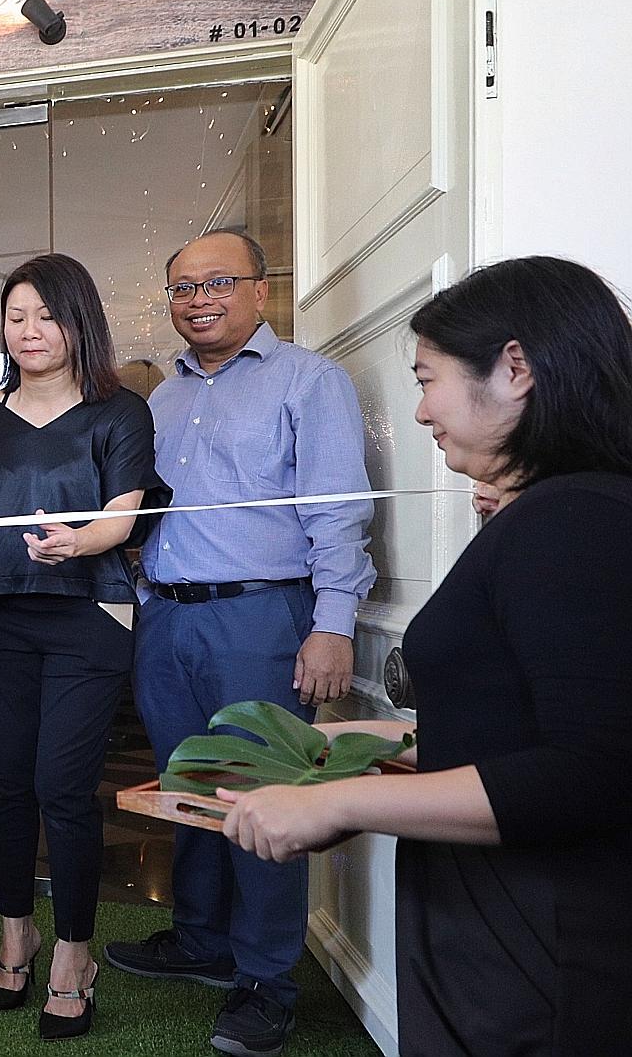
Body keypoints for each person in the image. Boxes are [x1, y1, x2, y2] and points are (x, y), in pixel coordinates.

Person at [219, 256, 632, 1057]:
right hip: (502, 928)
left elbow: (595, 769)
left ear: (515, 368)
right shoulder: (554, 513)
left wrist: (337, 806)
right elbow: (519, 718)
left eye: (427, 378)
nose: (417, 411)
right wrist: (370, 745)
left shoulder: (572, 520)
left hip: (542, 949)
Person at [103, 230, 375, 1057]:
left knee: (261, 798)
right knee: (188, 790)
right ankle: (201, 938)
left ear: (263, 290)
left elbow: (339, 514)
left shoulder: (312, 382)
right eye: (182, 289)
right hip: (169, 619)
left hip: (261, 619)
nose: (199, 300)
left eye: (218, 282)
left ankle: (265, 977)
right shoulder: (160, 401)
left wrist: (332, 626)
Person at [0, 253, 167, 1042]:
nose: (29, 331)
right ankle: (15, 936)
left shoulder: (119, 412)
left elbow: (123, 518)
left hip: (88, 620)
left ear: (78, 321)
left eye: (46, 316)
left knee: (62, 789)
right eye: (17, 316)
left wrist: (78, 542)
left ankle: (74, 953)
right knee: (4, 786)